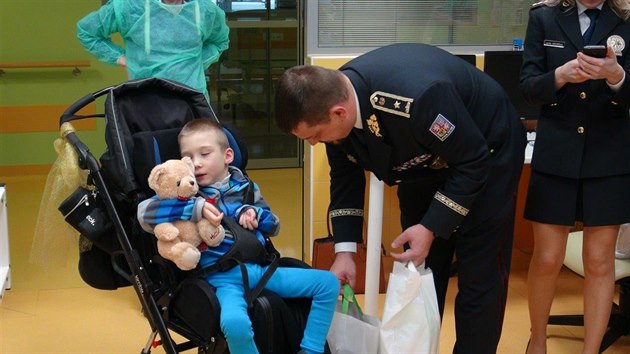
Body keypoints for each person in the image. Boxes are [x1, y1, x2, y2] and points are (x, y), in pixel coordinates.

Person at [275, 43, 527, 354]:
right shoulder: (329, 102)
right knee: (418, 273)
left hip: (486, 153)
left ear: (338, 112)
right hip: (424, 164)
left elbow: (472, 161)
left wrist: (432, 226)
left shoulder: (417, 98)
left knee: (479, 276)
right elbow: (345, 178)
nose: (313, 144)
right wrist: (345, 252)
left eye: (313, 136)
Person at [137, 119, 339, 354]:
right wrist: (196, 208)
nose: (197, 164)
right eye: (189, 158)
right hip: (222, 279)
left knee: (328, 284)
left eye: (205, 154)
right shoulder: (184, 193)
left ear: (228, 156)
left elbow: (274, 226)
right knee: (235, 323)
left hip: (261, 270)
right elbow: (144, 214)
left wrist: (256, 214)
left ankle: (311, 349)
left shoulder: (247, 188)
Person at [520, 1, 630, 353]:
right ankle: (537, 343)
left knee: (599, 263)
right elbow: (527, 87)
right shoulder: (544, 17)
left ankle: (590, 350)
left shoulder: (626, 18)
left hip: (608, 157)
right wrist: (560, 76)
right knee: (548, 258)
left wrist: (617, 76)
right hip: (557, 154)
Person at [77, 0, 229, 103]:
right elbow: (87, 31)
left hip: (193, 100)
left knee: (196, 149)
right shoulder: (131, 7)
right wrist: (121, 58)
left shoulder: (205, 11)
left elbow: (219, 41)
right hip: (145, 101)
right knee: (152, 149)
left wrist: (194, 63)